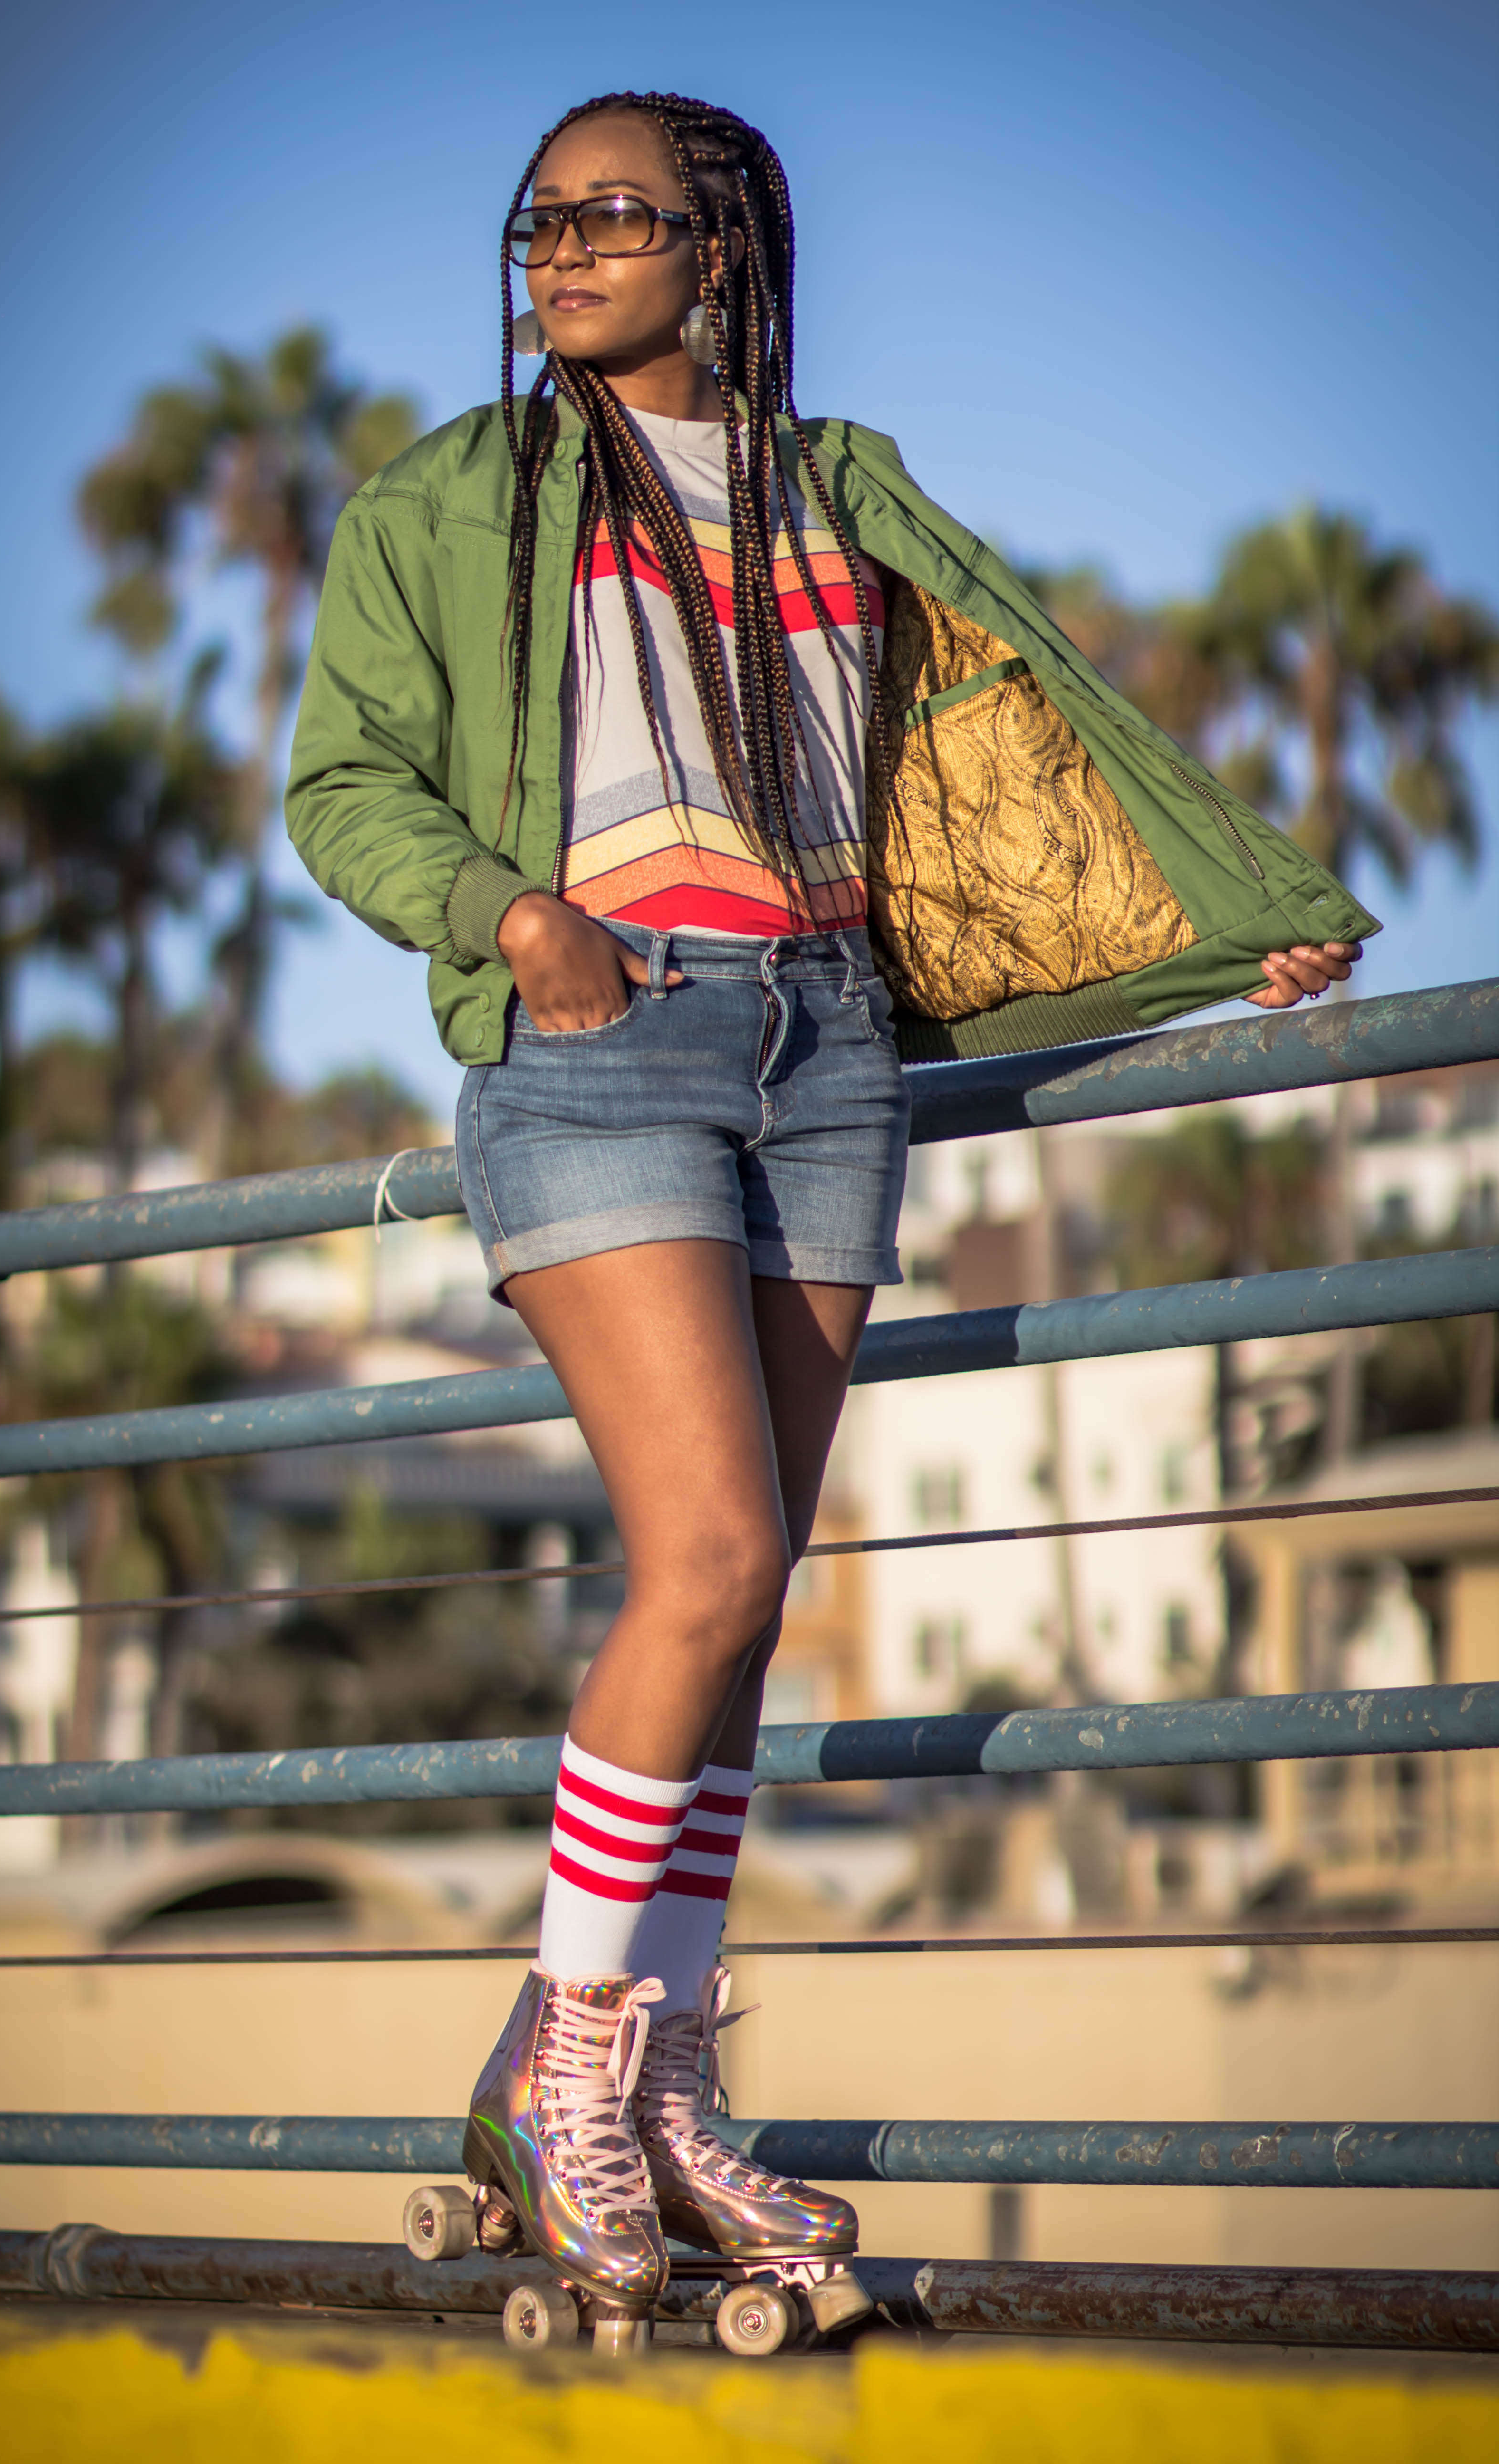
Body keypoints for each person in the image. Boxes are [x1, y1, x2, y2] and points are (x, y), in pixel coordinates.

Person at [287, 89, 1371, 2330]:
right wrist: (515, 923)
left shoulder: (839, 491)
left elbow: (1013, 780)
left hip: (830, 1041)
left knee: (753, 1610)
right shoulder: (453, 498)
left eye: (618, 215)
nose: (564, 250)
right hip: (607, 1036)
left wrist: (1217, 926)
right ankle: (561, 2076)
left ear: (731, 249)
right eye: (540, 219)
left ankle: (658, 2078)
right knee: (704, 1558)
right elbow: (339, 781)